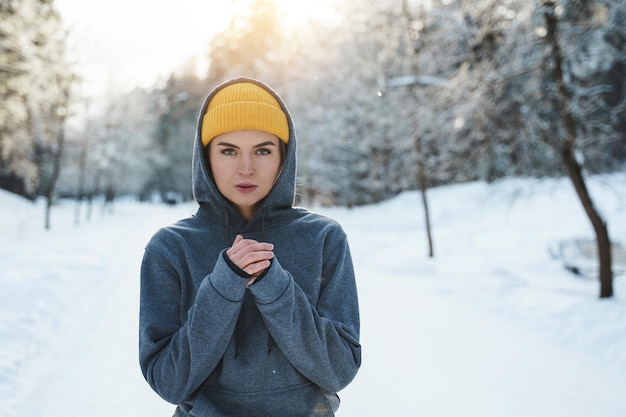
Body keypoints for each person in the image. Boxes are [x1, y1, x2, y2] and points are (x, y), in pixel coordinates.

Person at [139, 77, 361, 417]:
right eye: (228, 150)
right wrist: (223, 287)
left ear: (283, 157)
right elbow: (169, 382)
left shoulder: (323, 239)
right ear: (206, 156)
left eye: (262, 150)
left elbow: (339, 370)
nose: (246, 168)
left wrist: (275, 288)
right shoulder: (170, 247)